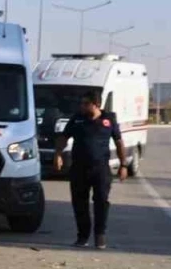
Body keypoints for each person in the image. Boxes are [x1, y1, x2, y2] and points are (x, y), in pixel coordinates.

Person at [53, 91, 128, 249]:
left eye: (86, 103)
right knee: (79, 203)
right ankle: (82, 236)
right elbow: (64, 137)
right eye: (81, 103)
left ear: (96, 104)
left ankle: (100, 235)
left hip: (100, 169)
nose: (82, 106)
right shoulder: (77, 119)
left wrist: (123, 165)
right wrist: (58, 154)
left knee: (101, 202)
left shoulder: (109, 119)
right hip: (78, 168)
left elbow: (119, 142)